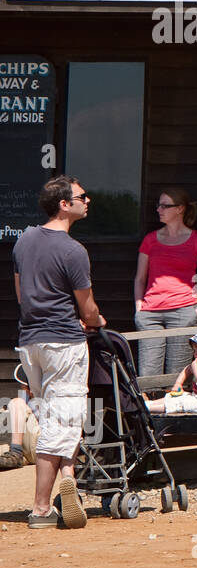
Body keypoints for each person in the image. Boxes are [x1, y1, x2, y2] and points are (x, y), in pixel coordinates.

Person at [12, 175, 105, 529]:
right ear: (64, 204)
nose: (88, 200)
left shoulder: (23, 241)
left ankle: (69, 480)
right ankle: (40, 509)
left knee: (53, 415)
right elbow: (88, 309)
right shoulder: (72, 251)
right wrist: (95, 319)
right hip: (64, 342)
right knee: (63, 421)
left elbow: (24, 298)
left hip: (30, 342)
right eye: (82, 196)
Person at [133, 187, 197, 376]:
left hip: (183, 310)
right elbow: (140, 278)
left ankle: (173, 406)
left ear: (180, 209)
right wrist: (139, 308)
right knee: (148, 372)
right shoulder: (150, 240)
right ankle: (149, 405)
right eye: (158, 205)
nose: (159, 210)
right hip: (150, 313)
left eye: (165, 206)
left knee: (177, 373)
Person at [146, 327, 197, 415]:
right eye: (194, 350)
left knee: (180, 404)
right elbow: (187, 370)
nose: (195, 353)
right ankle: (149, 404)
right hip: (196, 397)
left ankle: (149, 409)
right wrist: (178, 383)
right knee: (174, 396)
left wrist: (195, 369)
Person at [0, 395, 39, 470]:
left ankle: (16, 452)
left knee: (17, 403)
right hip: (25, 451)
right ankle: (17, 455)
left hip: (46, 448)